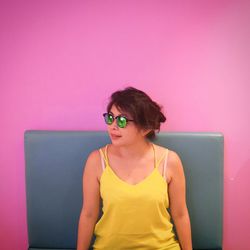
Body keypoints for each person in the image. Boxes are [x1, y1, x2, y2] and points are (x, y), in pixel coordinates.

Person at [77, 87, 192, 250]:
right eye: (110, 118)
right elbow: (88, 215)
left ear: (145, 128)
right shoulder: (96, 160)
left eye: (122, 121)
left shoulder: (170, 161)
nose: (113, 126)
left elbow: (180, 215)